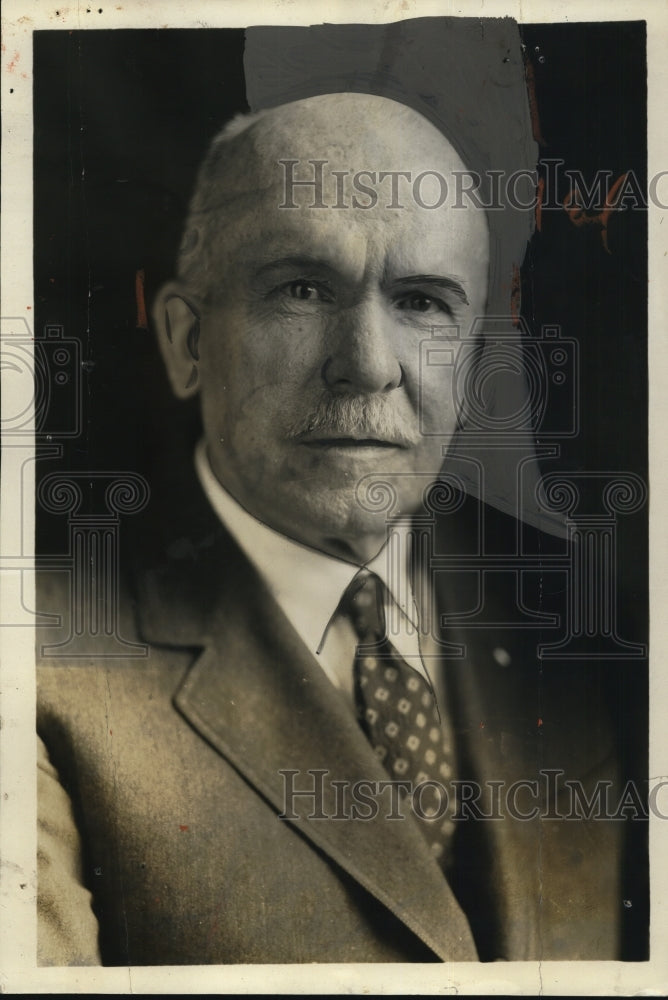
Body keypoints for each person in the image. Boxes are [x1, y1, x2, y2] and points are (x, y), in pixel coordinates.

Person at [35, 22, 645, 967]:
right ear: (188, 342)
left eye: (423, 302)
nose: (367, 366)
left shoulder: (592, 612)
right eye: (302, 290)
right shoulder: (38, 664)